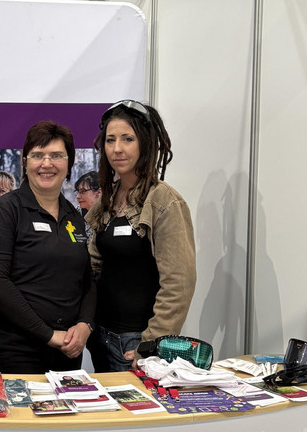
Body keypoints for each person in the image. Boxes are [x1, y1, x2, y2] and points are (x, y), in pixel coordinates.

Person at [85, 100, 196, 372]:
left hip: (136, 343)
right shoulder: (106, 201)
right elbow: (95, 267)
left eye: (128, 139)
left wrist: (151, 345)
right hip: (101, 337)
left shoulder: (165, 202)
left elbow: (178, 284)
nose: (117, 148)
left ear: (145, 143)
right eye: (110, 140)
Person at [0, 121, 95, 374]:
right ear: (25, 161)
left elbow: (86, 278)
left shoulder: (73, 216)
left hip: (66, 350)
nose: (46, 164)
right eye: (38, 155)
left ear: (69, 163)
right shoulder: (5, 211)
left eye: (56, 156)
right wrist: (47, 334)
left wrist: (85, 324)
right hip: (16, 350)